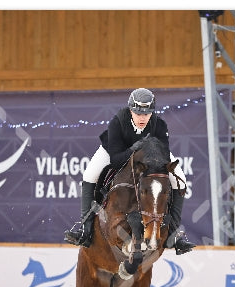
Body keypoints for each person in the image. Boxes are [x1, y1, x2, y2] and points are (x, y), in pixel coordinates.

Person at [64, 88, 195, 255]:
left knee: (180, 179)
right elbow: (116, 160)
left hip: (148, 155)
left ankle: (174, 234)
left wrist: (147, 155)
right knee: (89, 174)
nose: (142, 118)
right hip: (115, 151)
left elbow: (162, 158)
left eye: (146, 114)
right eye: (138, 113)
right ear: (130, 110)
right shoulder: (118, 122)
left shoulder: (159, 125)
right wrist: (134, 148)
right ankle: (86, 229)